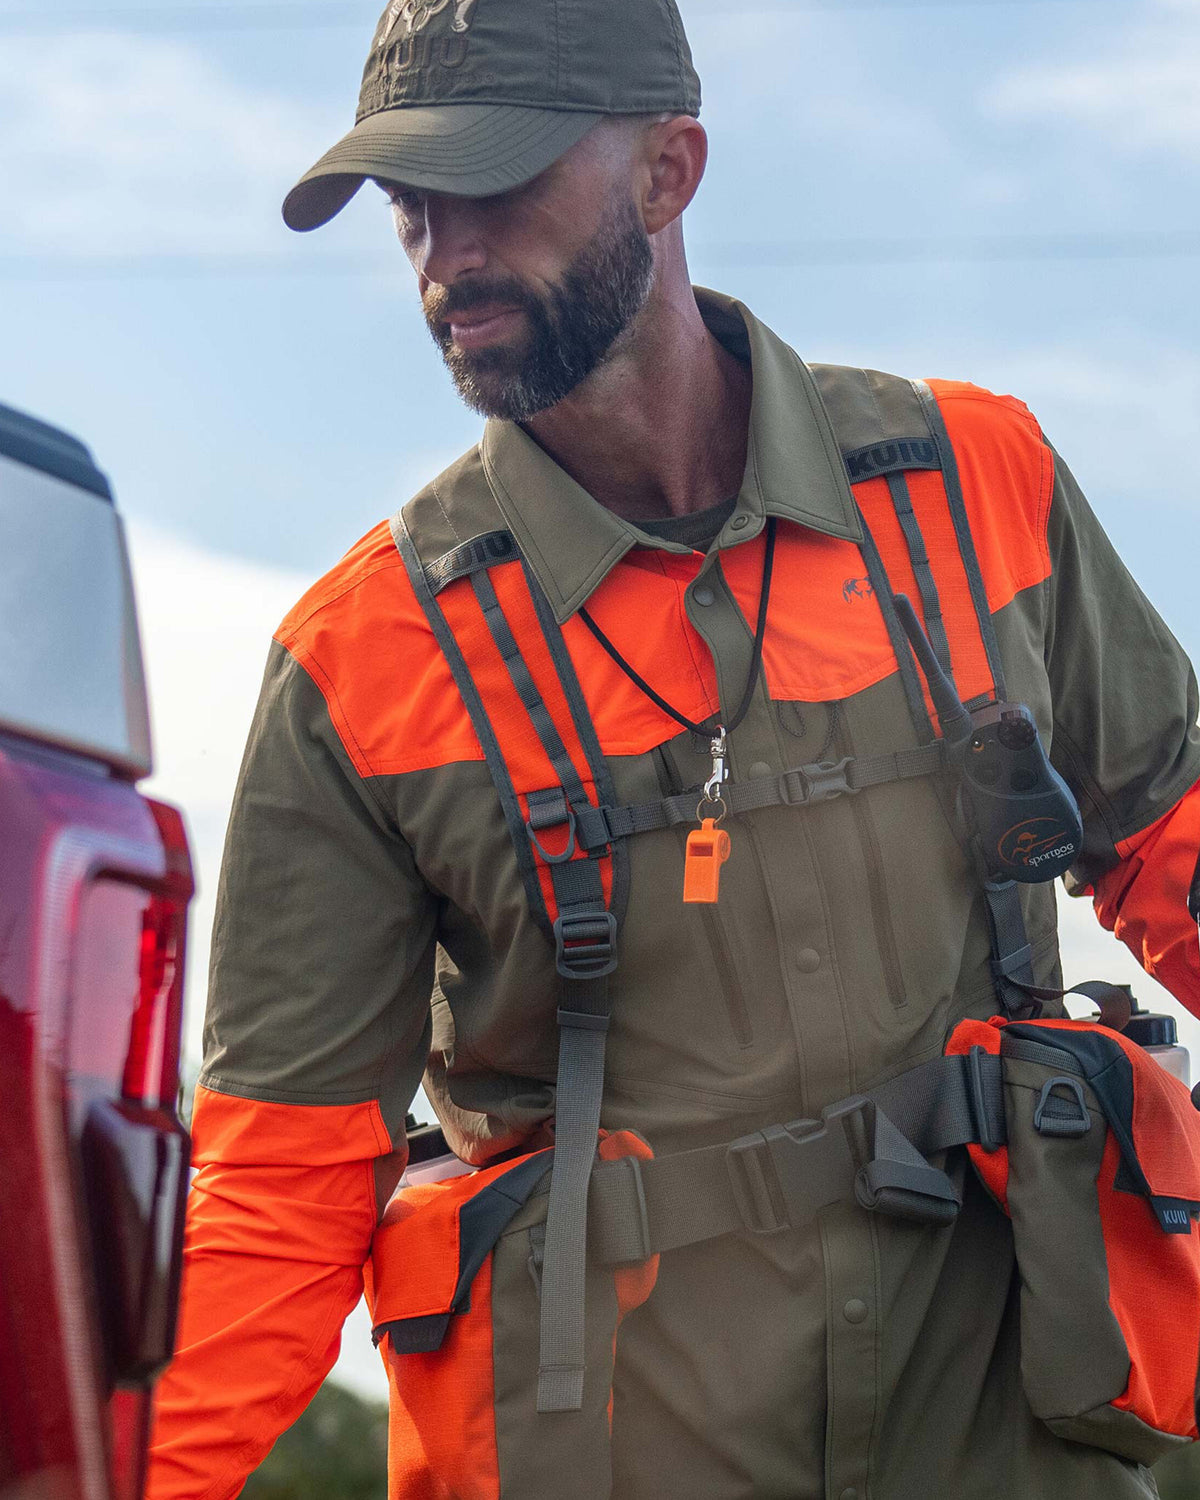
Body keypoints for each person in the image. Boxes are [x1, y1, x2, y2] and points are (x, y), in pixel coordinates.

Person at [147, 0, 1200, 1495]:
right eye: (409, 209)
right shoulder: (358, 661)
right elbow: (276, 1193)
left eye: (493, 186)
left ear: (669, 170)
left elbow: (1183, 847)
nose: (447, 258)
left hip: (1009, 1442)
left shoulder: (979, 485)